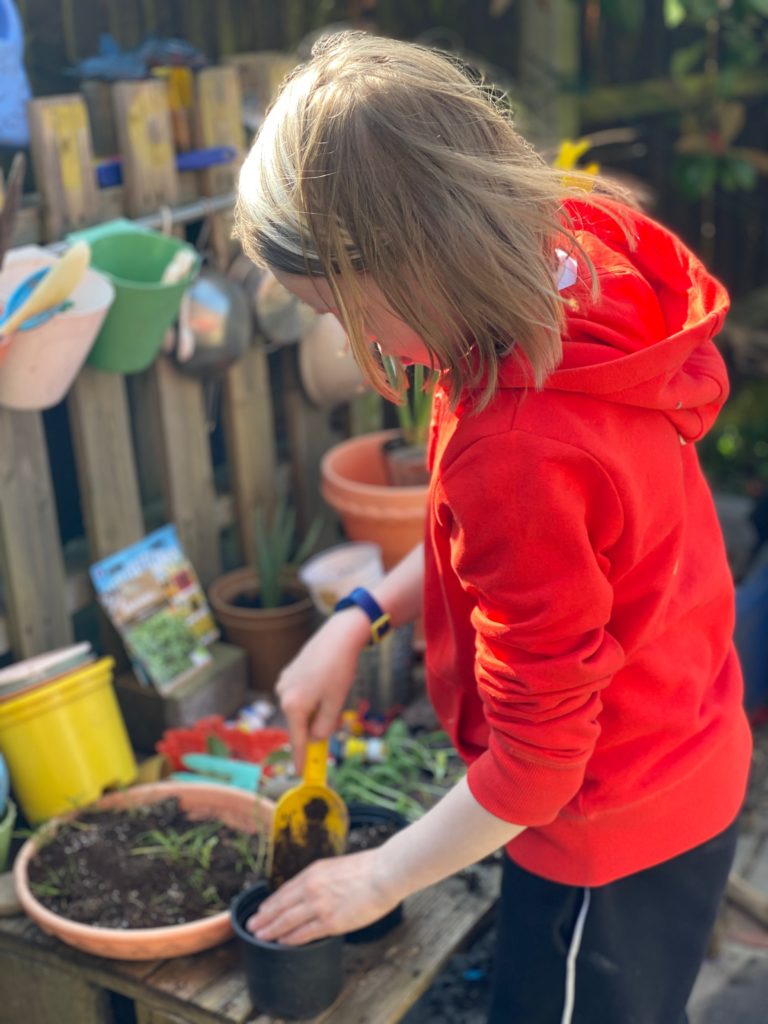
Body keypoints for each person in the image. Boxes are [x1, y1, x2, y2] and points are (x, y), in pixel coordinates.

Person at [234, 31, 752, 1024]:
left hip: (608, 828)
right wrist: (358, 614)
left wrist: (377, 877)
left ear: (404, 261)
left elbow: (540, 764)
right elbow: (519, 553)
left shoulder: (519, 443)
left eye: (345, 315)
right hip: (683, 745)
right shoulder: (561, 263)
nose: (354, 343)